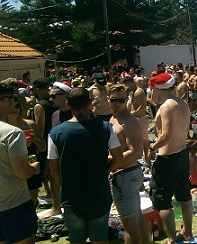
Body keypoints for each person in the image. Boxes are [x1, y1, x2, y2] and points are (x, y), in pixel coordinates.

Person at [47, 87, 124, 244]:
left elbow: (53, 168)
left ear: (68, 104)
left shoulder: (56, 133)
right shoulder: (106, 128)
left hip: (71, 194)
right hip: (98, 192)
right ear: (90, 103)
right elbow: (118, 158)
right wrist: (104, 170)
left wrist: (62, 186)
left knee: (77, 239)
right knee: (100, 239)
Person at [148, 72, 195, 244]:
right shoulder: (183, 103)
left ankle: (171, 238)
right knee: (183, 194)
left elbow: (166, 135)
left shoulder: (167, 106)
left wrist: (152, 148)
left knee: (163, 200)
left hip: (168, 157)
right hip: (181, 154)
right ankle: (187, 231)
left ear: (159, 90)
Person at [108, 84, 151, 244]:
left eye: (121, 100)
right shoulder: (114, 118)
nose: (117, 104)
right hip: (126, 174)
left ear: (127, 100)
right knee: (137, 218)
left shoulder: (128, 121)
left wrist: (110, 165)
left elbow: (136, 152)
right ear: (108, 100)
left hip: (125, 175)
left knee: (129, 226)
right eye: (114, 100)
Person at [0, 83, 39, 244]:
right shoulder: (12, 133)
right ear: (4, 101)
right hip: (14, 205)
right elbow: (22, 172)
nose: (15, 103)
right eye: (12, 99)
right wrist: (34, 168)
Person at [122, 76, 151, 165]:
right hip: (136, 119)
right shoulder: (132, 92)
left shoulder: (139, 92)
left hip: (141, 119)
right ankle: (142, 159)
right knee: (137, 140)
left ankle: (148, 160)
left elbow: (142, 107)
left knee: (145, 141)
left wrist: (131, 114)